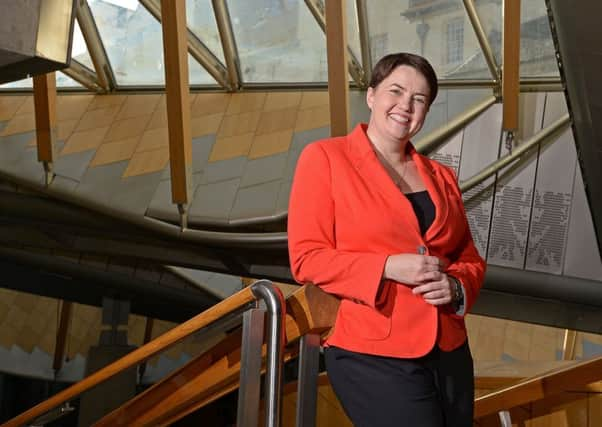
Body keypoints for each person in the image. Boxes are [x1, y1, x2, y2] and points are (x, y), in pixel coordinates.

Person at [287, 52, 486, 427]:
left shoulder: (442, 176)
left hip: (449, 347)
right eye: (395, 91)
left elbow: (468, 256)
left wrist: (456, 287)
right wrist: (388, 266)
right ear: (372, 95)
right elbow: (306, 258)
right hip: (372, 349)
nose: (405, 106)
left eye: (419, 99)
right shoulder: (326, 159)